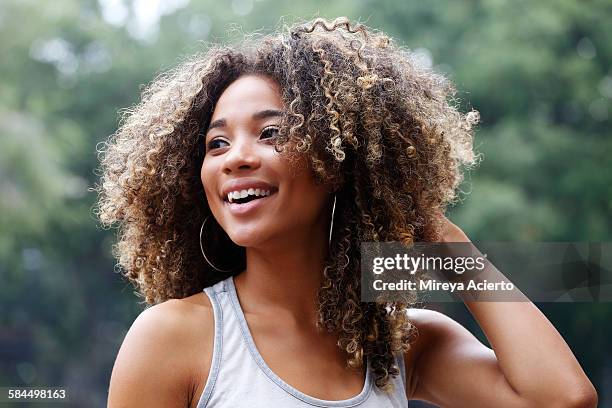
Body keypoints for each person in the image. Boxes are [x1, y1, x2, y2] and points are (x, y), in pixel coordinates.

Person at [97, 16, 597, 408]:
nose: (237, 158)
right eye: (217, 143)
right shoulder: (172, 337)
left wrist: (444, 242)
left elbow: (561, 398)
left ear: (336, 161)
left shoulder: (400, 343)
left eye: (271, 133)